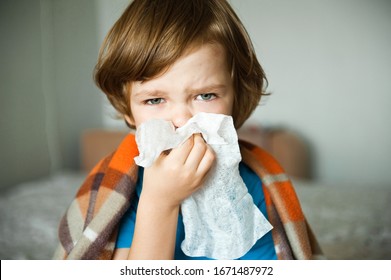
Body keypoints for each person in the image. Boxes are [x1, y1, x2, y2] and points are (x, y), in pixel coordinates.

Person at [53, 0, 323, 260]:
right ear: (128, 110)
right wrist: (160, 202)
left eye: (205, 95)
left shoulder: (255, 186)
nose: (182, 119)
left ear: (236, 96)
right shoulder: (127, 189)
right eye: (155, 100)